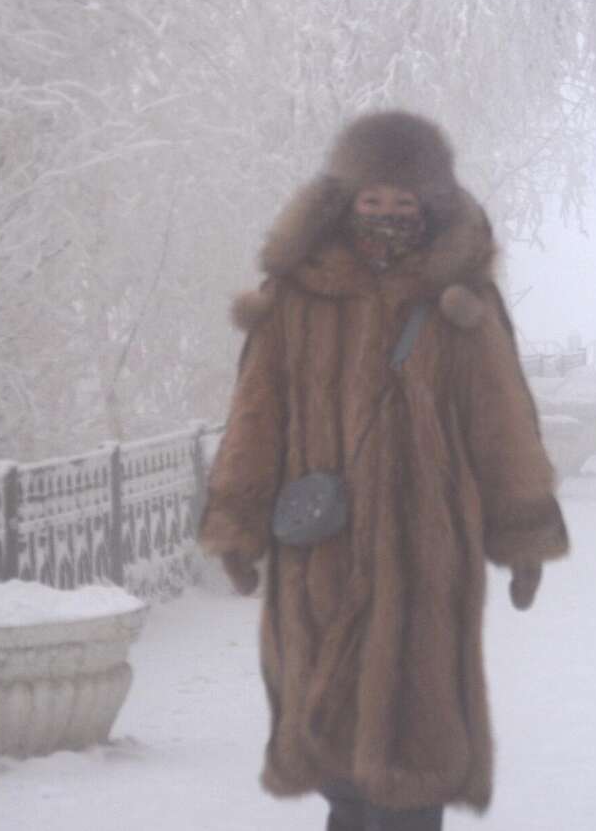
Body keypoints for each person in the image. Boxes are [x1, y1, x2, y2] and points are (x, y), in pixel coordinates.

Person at [199, 110, 569, 831]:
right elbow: (255, 418)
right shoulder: (298, 294)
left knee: (415, 760)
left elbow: (502, 425)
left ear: (429, 205)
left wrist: (522, 535)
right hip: (322, 554)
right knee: (336, 752)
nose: (388, 214)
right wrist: (236, 528)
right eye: (373, 199)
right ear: (345, 201)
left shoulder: (458, 300)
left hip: (425, 558)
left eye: (404, 201)